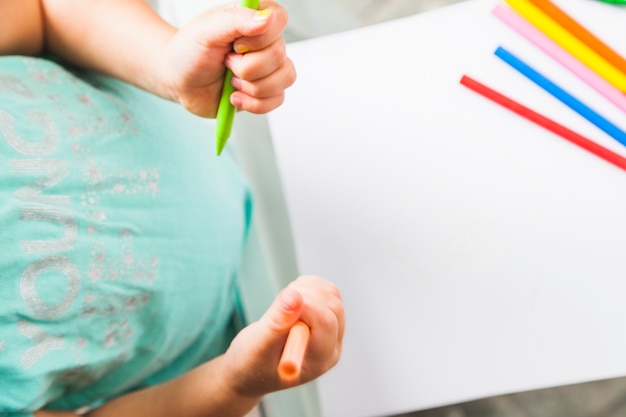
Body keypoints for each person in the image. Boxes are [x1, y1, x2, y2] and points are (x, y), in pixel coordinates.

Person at [0, 1, 344, 416]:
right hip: (252, 332)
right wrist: (235, 382)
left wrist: (168, 62)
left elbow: (43, 11)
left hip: (244, 116)